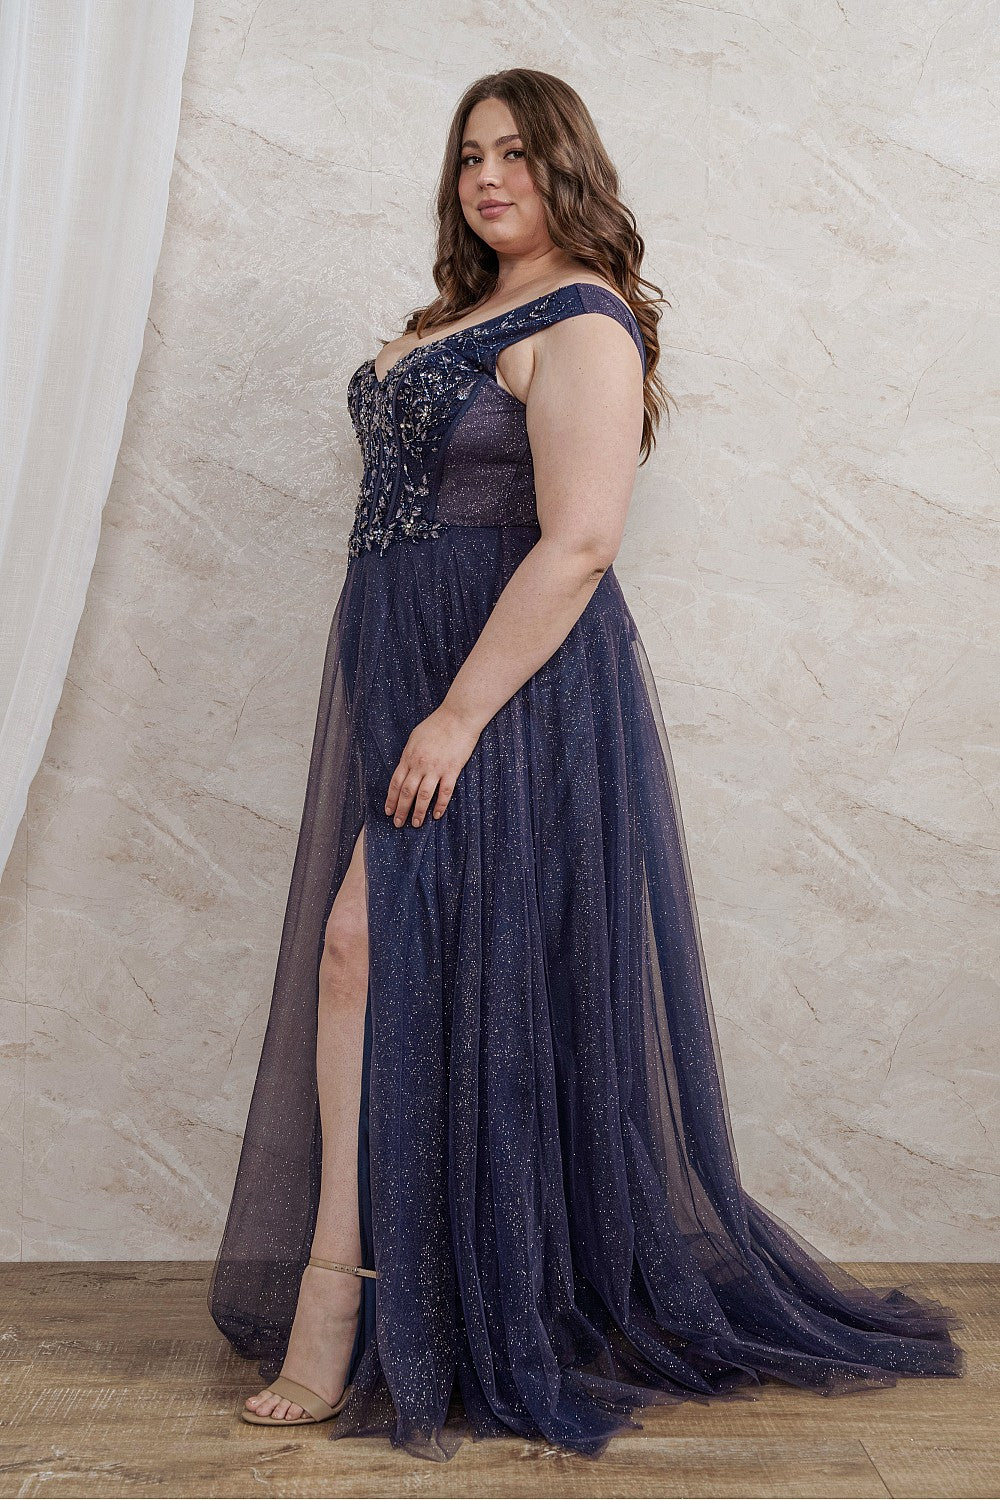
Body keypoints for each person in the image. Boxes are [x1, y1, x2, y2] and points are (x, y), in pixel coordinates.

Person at [207, 68, 965, 1463]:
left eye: (516, 154)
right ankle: (411, 1289)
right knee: (391, 964)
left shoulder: (585, 320)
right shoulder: (459, 316)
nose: (488, 178)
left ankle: (342, 1295)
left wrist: (456, 716)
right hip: (407, 671)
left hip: (506, 688)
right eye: (469, 157)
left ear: (568, 169)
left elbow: (580, 540)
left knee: (361, 948)